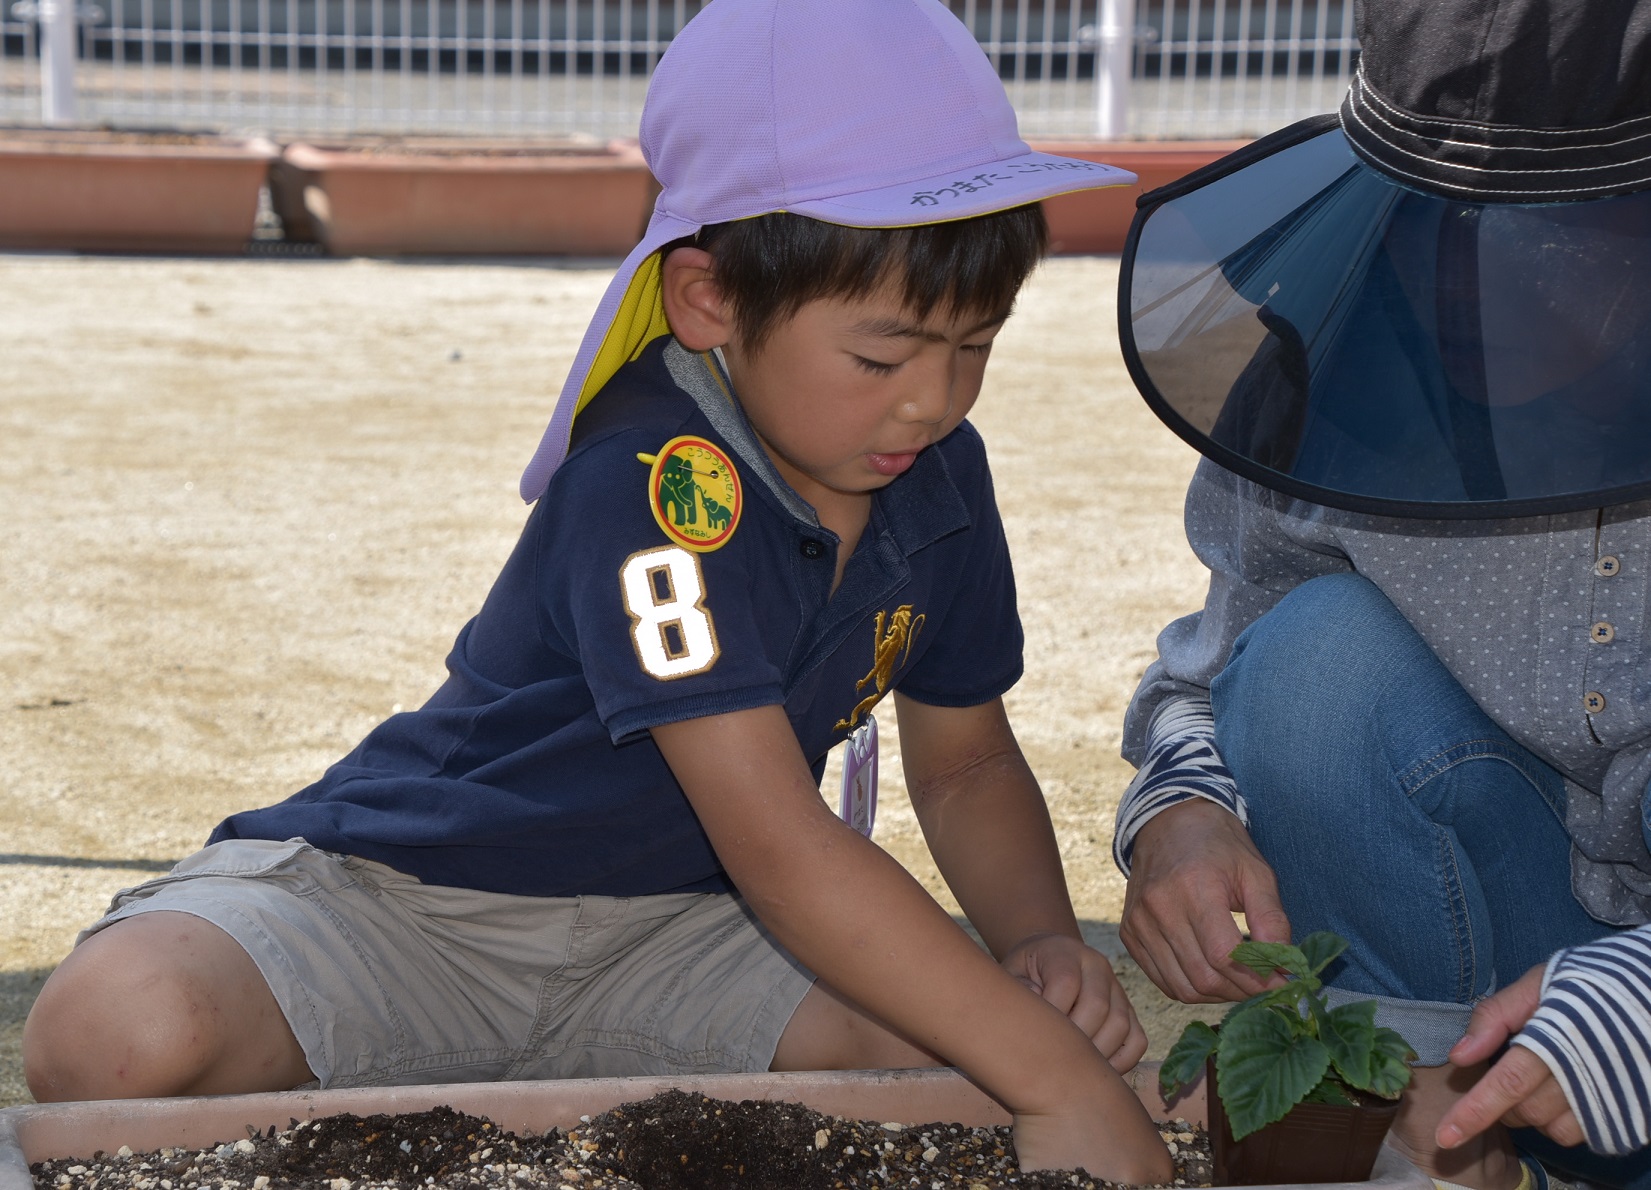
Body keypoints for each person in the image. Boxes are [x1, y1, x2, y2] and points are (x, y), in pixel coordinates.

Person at [20, 0, 1172, 1179]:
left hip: (693, 931)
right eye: (881, 356)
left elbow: (965, 761)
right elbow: (779, 842)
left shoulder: (939, 479)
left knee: (974, 1050)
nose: (933, 400)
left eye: (974, 345)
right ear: (709, 298)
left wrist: (1038, 939)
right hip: (417, 904)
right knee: (118, 1030)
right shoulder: (650, 480)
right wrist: (1058, 1079)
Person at [1110, 2, 1651, 1188]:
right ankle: (1449, 1140)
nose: (1459, 285)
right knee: (1314, 663)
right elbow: (1216, 669)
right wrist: (1179, 810)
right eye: (1426, 225)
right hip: (1522, 1008)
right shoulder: (1338, 370)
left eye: (1539, 249)